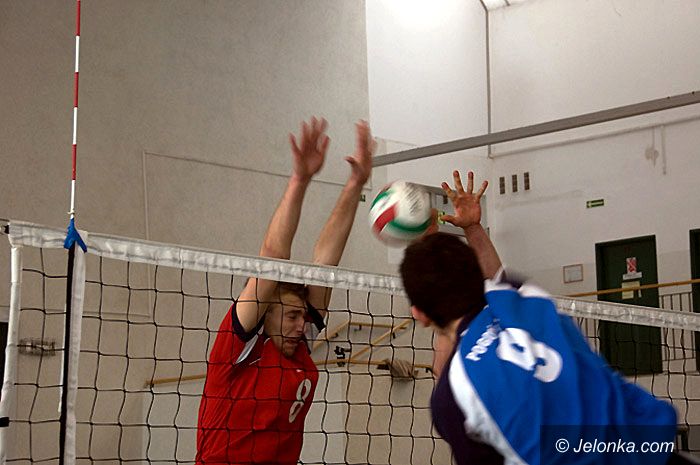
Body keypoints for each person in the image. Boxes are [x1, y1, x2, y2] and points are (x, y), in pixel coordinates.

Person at [400, 170, 687, 465]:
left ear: (420, 315)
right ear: (473, 277)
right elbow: (496, 280)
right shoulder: (526, 301)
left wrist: (424, 250)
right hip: (653, 450)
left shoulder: (452, 395)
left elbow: (448, 365)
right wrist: (472, 228)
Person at [196, 117, 374, 465]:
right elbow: (273, 256)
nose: (300, 326)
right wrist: (300, 180)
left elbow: (325, 263)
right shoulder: (240, 346)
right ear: (266, 314)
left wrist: (356, 183)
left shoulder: (299, 342)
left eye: (302, 316)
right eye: (291, 316)